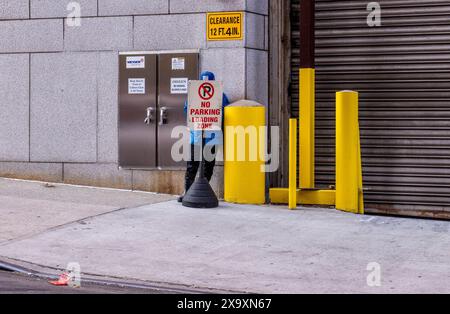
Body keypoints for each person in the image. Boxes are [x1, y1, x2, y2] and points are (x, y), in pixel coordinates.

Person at [178, 71, 230, 202]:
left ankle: (200, 190)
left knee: (203, 166)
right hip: (204, 137)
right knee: (197, 166)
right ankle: (189, 192)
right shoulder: (218, 96)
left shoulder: (219, 96)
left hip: (207, 137)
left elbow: (223, 113)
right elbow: (188, 111)